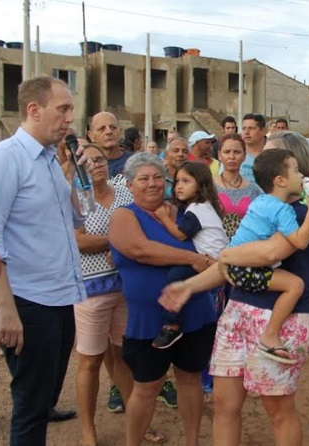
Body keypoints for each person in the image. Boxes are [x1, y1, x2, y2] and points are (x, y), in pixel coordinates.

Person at [158, 135, 309, 446]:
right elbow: (231, 267)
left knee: (278, 410)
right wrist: (189, 286)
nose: (259, 159)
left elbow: (261, 255)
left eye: (272, 154)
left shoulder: (303, 213)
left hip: (280, 320)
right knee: (224, 404)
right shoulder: (266, 208)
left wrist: (223, 256)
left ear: (294, 165)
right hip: (238, 311)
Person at [0, 76, 86, 446]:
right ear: (34, 110)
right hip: (24, 300)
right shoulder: (4, 158)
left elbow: (70, 221)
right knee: (30, 406)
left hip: (57, 295)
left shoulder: (51, 159)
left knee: (41, 399)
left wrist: (76, 176)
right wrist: (5, 307)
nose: (71, 117)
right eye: (63, 109)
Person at [108, 153, 216, 446]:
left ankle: (192, 441)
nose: (152, 184)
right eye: (144, 179)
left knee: (190, 378)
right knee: (146, 387)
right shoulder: (124, 216)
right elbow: (141, 250)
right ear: (130, 185)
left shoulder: (181, 214)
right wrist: (193, 258)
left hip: (194, 314)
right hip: (150, 321)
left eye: (157, 177)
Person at [72, 143, 142, 446]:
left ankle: (134, 426)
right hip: (91, 290)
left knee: (123, 357)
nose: (95, 164)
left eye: (99, 159)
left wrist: (120, 242)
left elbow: (140, 226)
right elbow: (78, 242)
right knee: (90, 361)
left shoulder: (123, 192)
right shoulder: (74, 197)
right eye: (87, 161)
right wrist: (117, 242)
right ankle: (88, 431)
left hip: (125, 286)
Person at [226, 149, 309, 363]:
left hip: (237, 266)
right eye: (296, 171)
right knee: (295, 285)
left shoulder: (260, 201)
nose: (301, 176)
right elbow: (301, 241)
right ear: (280, 180)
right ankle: (270, 335)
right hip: (247, 270)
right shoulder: (283, 210)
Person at [152, 162, 228, 349]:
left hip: (212, 262)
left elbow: (180, 234)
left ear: (200, 185)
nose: (179, 186)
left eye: (186, 181)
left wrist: (164, 218)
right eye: (177, 181)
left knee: (175, 276)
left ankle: (172, 323)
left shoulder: (196, 209)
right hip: (217, 260)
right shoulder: (205, 206)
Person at [214, 134, 263, 238]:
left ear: (244, 156)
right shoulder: (208, 186)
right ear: (219, 155)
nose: (231, 157)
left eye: (237, 152)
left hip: (245, 246)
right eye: (227, 152)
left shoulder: (253, 190)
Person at [87, 112, 133, 178]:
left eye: (113, 127)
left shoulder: (135, 162)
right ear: (91, 136)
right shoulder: (86, 166)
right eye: (102, 129)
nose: (109, 132)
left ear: (120, 131)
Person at [240, 113, 267, 183]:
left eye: (251, 128)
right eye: (244, 128)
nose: (246, 132)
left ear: (263, 131)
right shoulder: (234, 156)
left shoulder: (272, 156)